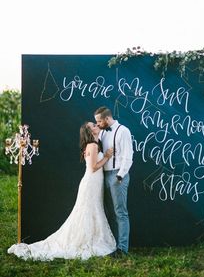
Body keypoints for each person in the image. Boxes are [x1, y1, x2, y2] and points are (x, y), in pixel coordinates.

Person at [7, 121, 116, 261]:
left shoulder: (95, 144)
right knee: (88, 211)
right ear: (90, 132)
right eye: (93, 125)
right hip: (91, 183)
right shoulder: (93, 145)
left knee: (92, 210)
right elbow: (94, 167)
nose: (96, 125)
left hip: (95, 183)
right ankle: (84, 240)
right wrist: (107, 156)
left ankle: (91, 237)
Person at [94, 106, 133, 257]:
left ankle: (122, 249)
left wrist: (120, 176)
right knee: (106, 212)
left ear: (107, 119)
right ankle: (110, 245)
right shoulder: (102, 132)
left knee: (120, 213)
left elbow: (128, 156)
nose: (97, 124)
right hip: (102, 175)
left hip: (118, 175)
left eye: (99, 121)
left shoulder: (123, 131)